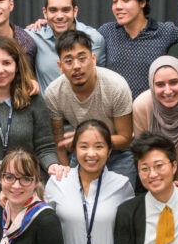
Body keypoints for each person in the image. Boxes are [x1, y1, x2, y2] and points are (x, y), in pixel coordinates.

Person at [0, 36, 64, 200]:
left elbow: (45, 146)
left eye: (7, 63)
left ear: (17, 66)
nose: (0, 70)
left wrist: (53, 165)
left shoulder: (33, 100)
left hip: (25, 185)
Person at [44, 30, 136, 185]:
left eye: (82, 58)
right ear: (60, 66)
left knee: (119, 204)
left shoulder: (116, 86)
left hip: (118, 152)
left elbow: (125, 139)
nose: (77, 66)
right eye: (68, 61)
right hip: (81, 150)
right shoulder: (54, 93)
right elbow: (58, 142)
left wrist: (85, 140)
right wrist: (66, 177)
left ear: (93, 59)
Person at [26, 0, 106, 92]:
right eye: (53, 10)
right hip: (47, 107)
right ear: (45, 13)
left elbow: (102, 79)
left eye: (65, 10)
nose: (59, 16)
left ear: (75, 11)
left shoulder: (94, 38)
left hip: (83, 106)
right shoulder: (34, 36)